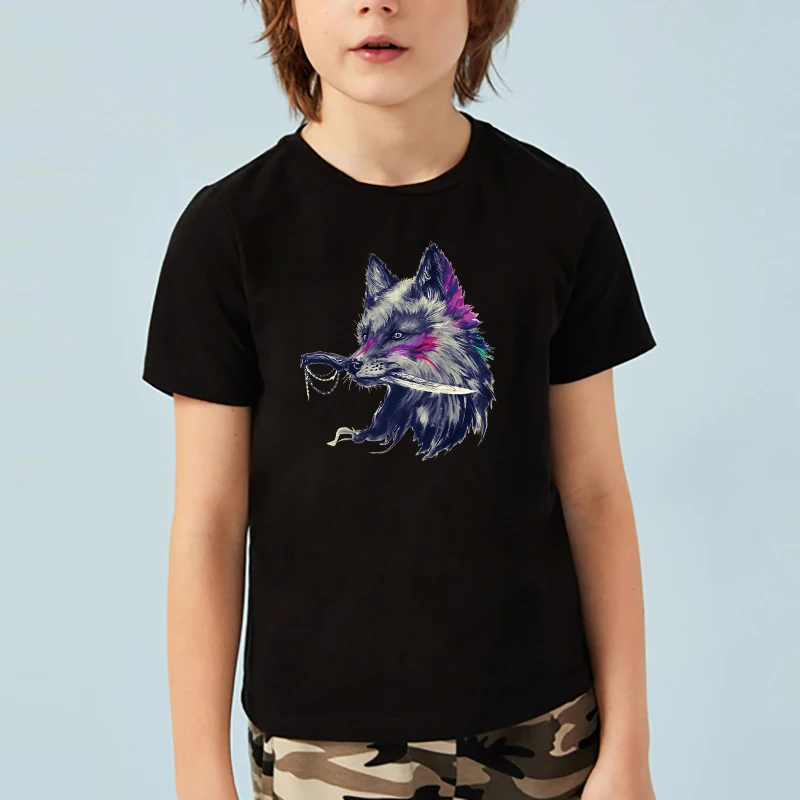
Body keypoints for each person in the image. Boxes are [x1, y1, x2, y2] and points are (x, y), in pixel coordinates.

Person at [141, 1, 659, 799]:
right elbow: (208, 524)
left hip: (547, 733)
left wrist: (629, 748)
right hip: (319, 745)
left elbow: (594, 495)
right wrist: (198, 777)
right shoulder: (229, 232)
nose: (376, 3)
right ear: (287, 11)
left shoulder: (559, 213)